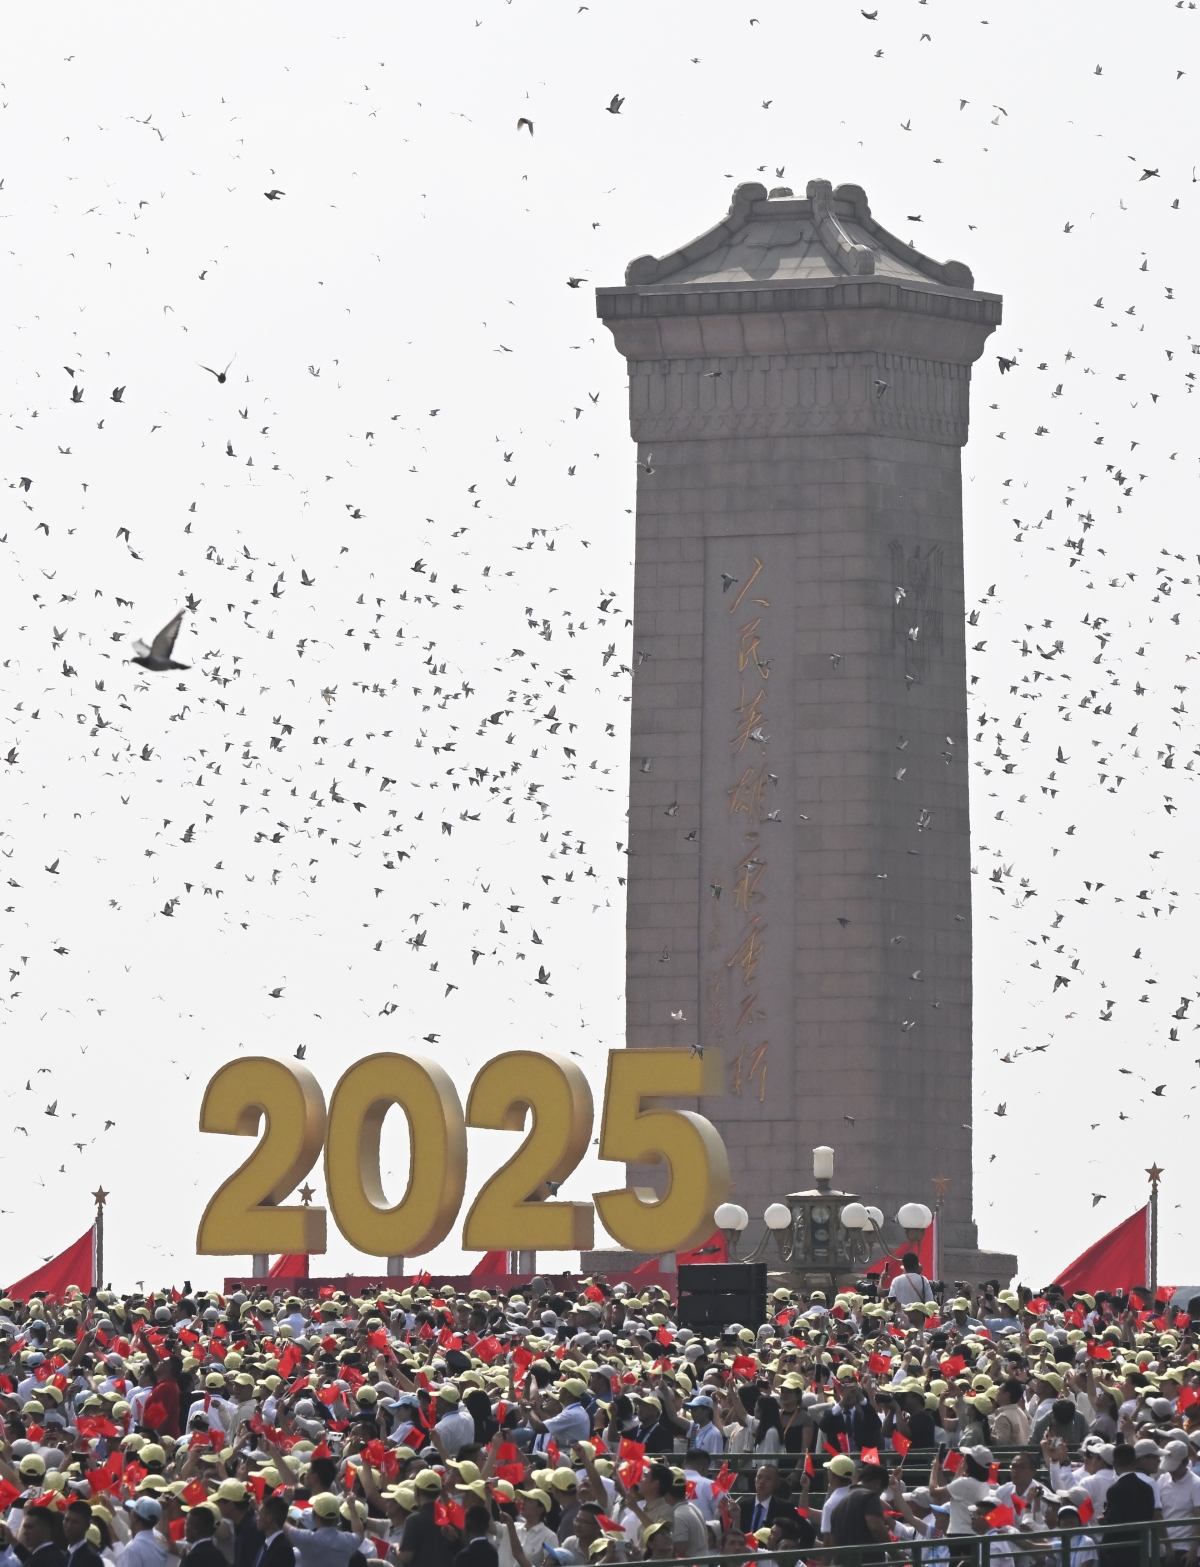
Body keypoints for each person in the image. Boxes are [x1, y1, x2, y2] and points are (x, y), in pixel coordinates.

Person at [1101, 1443, 1158, 1567]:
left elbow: (1113, 1522)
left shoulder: (1115, 1489)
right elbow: (1149, 1515)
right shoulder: (1147, 1487)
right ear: (1135, 1462)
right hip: (1142, 1547)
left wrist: (1105, 1546)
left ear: (1114, 1463)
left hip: (1120, 1551)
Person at [830, 1463, 891, 1564]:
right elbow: (875, 1527)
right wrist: (897, 1554)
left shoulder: (839, 1505)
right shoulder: (870, 1496)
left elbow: (833, 1542)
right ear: (878, 1484)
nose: (879, 1494)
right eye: (882, 1490)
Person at [399, 1471, 457, 1567]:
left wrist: (396, 1548)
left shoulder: (413, 1519)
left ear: (416, 1491)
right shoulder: (450, 1516)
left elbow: (406, 1556)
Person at [253, 1499, 295, 1567]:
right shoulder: (265, 1546)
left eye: (260, 1514)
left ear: (269, 1518)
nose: (257, 1518)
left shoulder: (283, 1550)